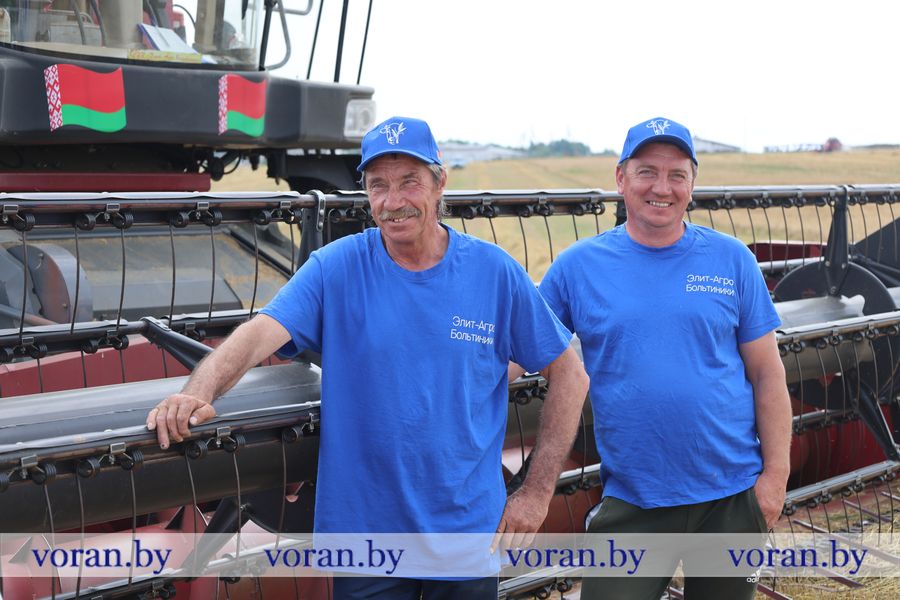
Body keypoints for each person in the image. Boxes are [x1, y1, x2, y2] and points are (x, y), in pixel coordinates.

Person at [147, 116, 589, 599]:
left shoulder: (493, 273)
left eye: (409, 182)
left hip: (465, 534)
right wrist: (197, 392)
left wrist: (536, 492)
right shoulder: (336, 268)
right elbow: (257, 335)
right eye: (378, 185)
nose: (393, 201)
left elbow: (570, 373)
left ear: (440, 182)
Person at [535, 117, 792, 599]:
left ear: (692, 184)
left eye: (677, 175)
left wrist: (775, 479)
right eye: (647, 172)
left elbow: (767, 374)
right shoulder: (578, 267)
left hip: (732, 497)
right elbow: (520, 345)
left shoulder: (732, 259)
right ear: (621, 178)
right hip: (635, 498)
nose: (662, 187)